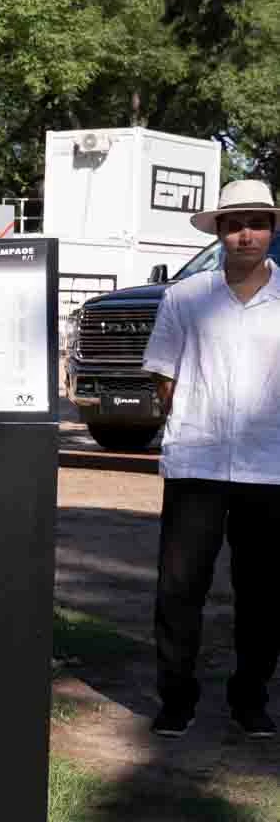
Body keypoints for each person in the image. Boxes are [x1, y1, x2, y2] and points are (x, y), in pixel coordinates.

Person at [144, 180, 280, 737]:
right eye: (234, 224)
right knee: (180, 590)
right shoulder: (185, 297)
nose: (246, 234)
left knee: (263, 594)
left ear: (271, 229)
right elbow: (164, 375)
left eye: (257, 223)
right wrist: (193, 420)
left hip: (269, 466)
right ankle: (176, 699)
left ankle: (251, 700)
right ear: (220, 231)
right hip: (196, 463)